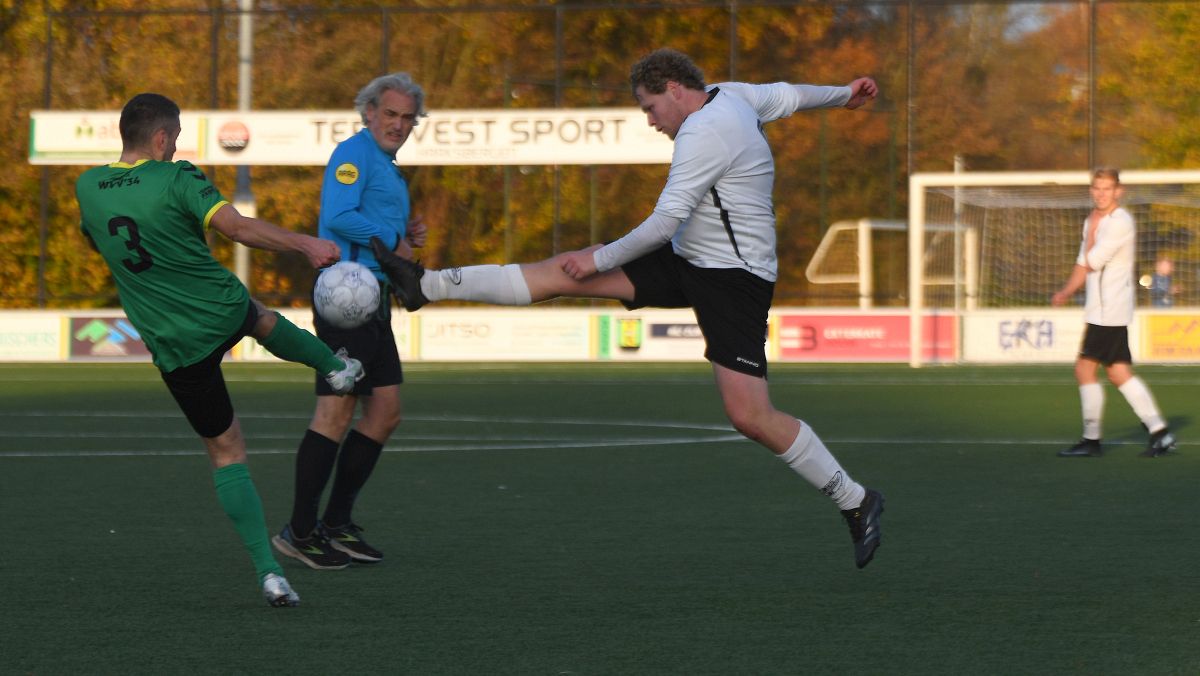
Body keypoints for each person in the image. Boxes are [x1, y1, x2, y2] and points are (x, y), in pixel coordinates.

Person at [372, 48, 885, 569]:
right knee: (560, 274)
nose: (650, 120)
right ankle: (426, 285)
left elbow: (663, 222)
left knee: (749, 415)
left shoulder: (706, 131)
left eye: (649, 107)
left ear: (674, 90)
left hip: (735, 279)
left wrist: (597, 258)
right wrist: (844, 95)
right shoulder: (733, 94)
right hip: (688, 257)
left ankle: (856, 499)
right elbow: (791, 95)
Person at [74, 93, 365, 607]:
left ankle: (269, 573)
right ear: (161, 137)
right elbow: (238, 228)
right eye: (175, 137)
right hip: (217, 307)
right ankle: (334, 367)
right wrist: (304, 243)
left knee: (226, 451)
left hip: (172, 341)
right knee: (258, 317)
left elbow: (97, 240)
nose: (176, 146)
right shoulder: (178, 176)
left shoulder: (88, 186)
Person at [271, 72, 427, 570]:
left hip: (373, 298)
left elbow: (373, 220)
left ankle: (336, 524)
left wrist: (407, 231)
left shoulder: (388, 166)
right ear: (369, 112)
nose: (398, 124)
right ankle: (300, 531)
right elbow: (339, 215)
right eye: (390, 114)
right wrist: (393, 239)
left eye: (407, 118)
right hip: (346, 299)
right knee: (335, 414)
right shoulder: (354, 153)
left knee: (385, 412)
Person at [1052, 167, 1176, 458]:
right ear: (1091, 190)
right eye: (1096, 188)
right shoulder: (1093, 221)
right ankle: (1160, 433)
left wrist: (1092, 232)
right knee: (1119, 373)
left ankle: (1091, 439)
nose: (1101, 194)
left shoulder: (1120, 222)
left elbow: (1091, 261)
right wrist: (1067, 291)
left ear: (1118, 191)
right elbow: (1082, 261)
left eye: (1107, 188)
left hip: (1110, 310)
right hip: (1102, 309)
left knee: (1084, 369)